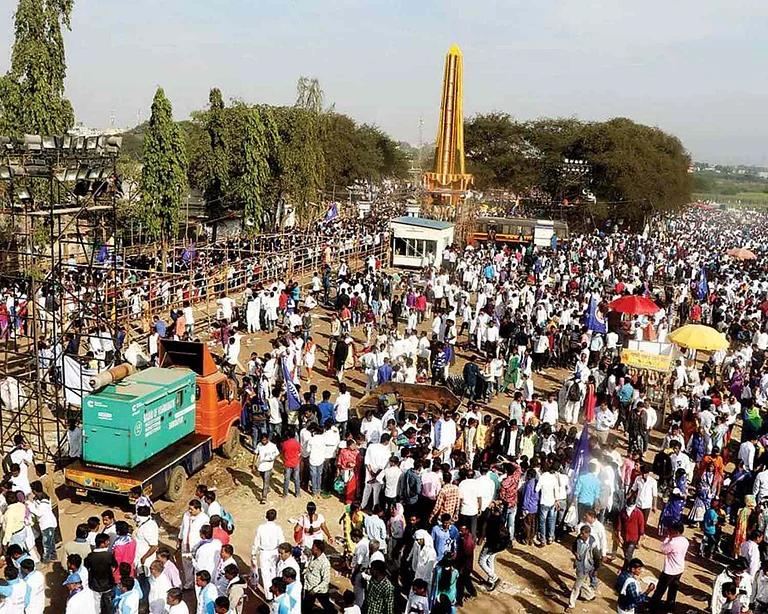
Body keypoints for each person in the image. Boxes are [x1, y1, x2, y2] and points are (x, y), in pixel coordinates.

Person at [650, 521, 688, 612]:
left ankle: (653, 606)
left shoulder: (673, 542)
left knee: (660, 589)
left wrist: (667, 538)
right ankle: (670, 606)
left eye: (671, 530)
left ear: (677, 532)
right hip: (679, 568)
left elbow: (663, 549)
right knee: (673, 589)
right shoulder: (685, 541)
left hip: (669, 570)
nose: (669, 531)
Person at [252, 509, 285, 601]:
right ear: (275, 517)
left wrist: (253, 553)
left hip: (264, 553)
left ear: (266, 516)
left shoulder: (261, 528)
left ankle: (268, 596)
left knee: (265, 574)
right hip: (274, 552)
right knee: (274, 572)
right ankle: (276, 593)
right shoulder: (278, 528)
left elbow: (256, 542)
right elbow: (282, 542)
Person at [566, 524, 600, 611]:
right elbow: (573, 548)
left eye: (583, 534)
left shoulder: (593, 544)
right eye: (581, 533)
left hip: (586, 567)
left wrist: (596, 569)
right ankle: (590, 595)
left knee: (576, 586)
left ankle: (571, 605)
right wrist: (576, 554)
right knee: (582, 583)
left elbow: (596, 558)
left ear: (588, 534)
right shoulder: (578, 539)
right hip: (578, 565)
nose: (581, 535)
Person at [179, 500, 209, 589]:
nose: (190, 511)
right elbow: (183, 528)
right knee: (186, 565)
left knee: (197, 566)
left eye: (191, 509)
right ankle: (189, 583)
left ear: (198, 509)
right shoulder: (186, 515)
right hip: (186, 544)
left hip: (197, 546)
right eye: (189, 509)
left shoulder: (205, 519)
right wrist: (180, 539)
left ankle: (198, 585)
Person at [85, 532, 117, 614]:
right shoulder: (109, 555)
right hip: (107, 584)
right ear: (102, 543)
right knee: (108, 605)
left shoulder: (90, 556)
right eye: (107, 541)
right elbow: (115, 566)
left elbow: (86, 567)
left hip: (95, 585)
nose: (109, 543)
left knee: (96, 606)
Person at [303, 540, 334, 614]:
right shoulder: (312, 556)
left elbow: (326, 580)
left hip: (319, 590)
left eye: (313, 547)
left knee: (327, 607)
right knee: (306, 608)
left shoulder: (324, 563)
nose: (311, 548)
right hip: (309, 587)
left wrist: (315, 590)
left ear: (318, 550)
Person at [253, 433, 279, 504]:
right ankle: (267, 488)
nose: (264, 442)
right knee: (263, 478)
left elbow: (277, 454)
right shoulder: (259, 445)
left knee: (266, 481)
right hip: (260, 466)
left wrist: (273, 459)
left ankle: (264, 497)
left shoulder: (272, 446)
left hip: (268, 466)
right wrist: (253, 465)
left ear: (267, 439)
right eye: (262, 440)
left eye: (265, 440)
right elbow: (255, 454)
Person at [281, 427, 301, 498]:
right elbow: (299, 451)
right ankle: (297, 493)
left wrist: (284, 459)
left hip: (287, 462)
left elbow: (282, 453)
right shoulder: (297, 443)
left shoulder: (285, 443)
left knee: (287, 478)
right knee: (296, 478)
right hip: (295, 462)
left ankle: (285, 494)